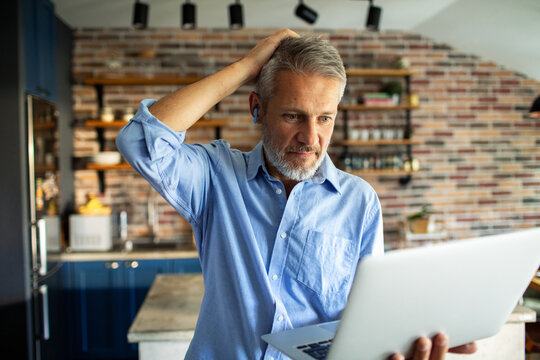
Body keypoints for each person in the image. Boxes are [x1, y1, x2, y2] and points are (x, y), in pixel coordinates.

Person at [116, 29, 476, 360]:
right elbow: (140, 141)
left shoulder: (359, 201)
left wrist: (403, 337)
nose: (310, 137)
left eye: (325, 118)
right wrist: (247, 66)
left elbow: (366, 314)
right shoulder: (216, 177)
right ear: (257, 108)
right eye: (293, 116)